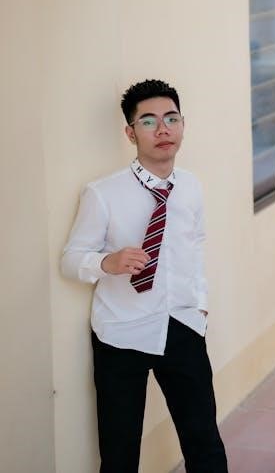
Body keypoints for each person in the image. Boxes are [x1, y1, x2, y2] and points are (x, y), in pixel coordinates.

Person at [61, 79, 227, 473]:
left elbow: (195, 247)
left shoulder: (190, 186)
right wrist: (107, 263)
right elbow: (70, 259)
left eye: (172, 119)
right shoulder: (103, 193)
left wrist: (200, 305)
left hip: (182, 324)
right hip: (121, 332)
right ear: (130, 133)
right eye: (149, 121)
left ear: (183, 125)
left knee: (204, 442)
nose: (163, 129)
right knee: (119, 453)